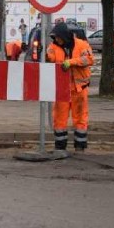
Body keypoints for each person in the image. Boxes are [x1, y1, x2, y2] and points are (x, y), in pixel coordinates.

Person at [46, 22, 94, 151]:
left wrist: (71, 62)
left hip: (80, 89)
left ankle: (80, 147)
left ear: (64, 36)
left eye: (58, 37)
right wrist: (43, 55)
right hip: (62, 89)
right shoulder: (53, 47)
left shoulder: (82, 44)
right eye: (55, 38)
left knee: (80, 119)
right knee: (59, 120)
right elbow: (49, 58)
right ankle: (60, 148)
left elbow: (88, 59)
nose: (56, 40)